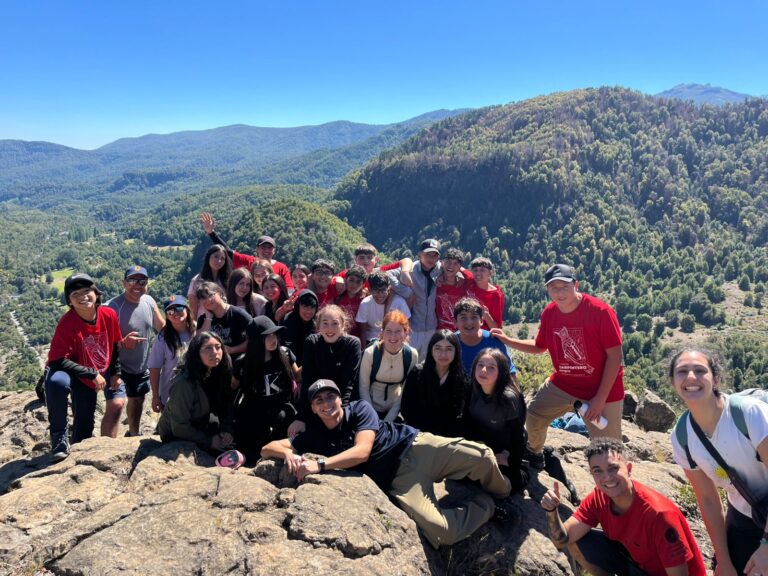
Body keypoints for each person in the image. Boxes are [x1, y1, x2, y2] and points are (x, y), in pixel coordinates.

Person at [261, 380, 513, 548]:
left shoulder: (359, 408)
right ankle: (487, 507)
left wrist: (321, 465)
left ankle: (502, 492)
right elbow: (267, 448)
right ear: (313, 409)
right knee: (441, 533)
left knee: (481, 455)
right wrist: (288, 455)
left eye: (331, 397)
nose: (327, 404)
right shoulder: (314, 435)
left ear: (340, 399)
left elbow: (362, 451)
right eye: (319, 401)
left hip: (416, 446)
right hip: (398, 481)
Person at [495, 264, 624, 470]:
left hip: (601, 390)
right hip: (564, 385)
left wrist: (599, 399)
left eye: (564, 286)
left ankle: (613, 495)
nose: (559, 292)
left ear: (576, 284)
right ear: (547, 290)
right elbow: (539, 346)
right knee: (534, 416)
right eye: (553, 287)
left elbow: (615, 357)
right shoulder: (550, 313)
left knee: (608, 451)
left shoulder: (600, 311)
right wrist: (507, 340)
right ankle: (534, 453)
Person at [541, 437, 706, 576]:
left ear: (628, 469)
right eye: (598, 471)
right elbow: (562, 540)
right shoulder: (599, 498)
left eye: (613, 468)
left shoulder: (659, 515)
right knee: (577, 542)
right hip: (636, 564)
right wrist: (551, 511)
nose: (607, 477)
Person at [669, 348, 768, 576]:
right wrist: (723, 560)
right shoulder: (682, 437)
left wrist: (766, 546)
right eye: (682, 371)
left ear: (715, 379)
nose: (691, 377)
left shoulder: (749, 414)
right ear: (673, 382)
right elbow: (708, 499)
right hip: (745, 513)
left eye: (700, 370)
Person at [45, 273, 123, 460]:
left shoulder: (108, 315)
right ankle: (59, 437)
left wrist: (116, 372)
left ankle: (77, 454)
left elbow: (115, 344)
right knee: (57, 383)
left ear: (96, 293)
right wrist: (91, 373)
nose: (83, 297)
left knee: (84, 429)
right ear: (70, 301)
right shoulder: (67, 322)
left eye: (87, 291)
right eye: (75, 294)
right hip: (70, 371)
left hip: (90, 374)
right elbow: (57, 360)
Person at [104, 265, 165, 437]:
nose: (137, 285)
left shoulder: (149, 301)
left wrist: (187, 329)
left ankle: (133, 432)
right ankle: (105, 448)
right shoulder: (112, 307)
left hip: (140, 365)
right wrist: (123, 343)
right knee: (116, 405)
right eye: (132, 280)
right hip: (117, 368)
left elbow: (162, 328)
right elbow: (101, 344)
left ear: (147, 284)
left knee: (137, 400)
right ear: (124, 283)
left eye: (142, 281)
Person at [232, 316, 299, 464]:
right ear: (256, 340)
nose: (273, 339)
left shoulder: (285, 354)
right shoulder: (243, 363)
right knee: (252, 451)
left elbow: (297, 375)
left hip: (280, 409)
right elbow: (232, 387)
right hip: (254, 410)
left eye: (274, 334)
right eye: (267, 336)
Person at [287, 305, 361, 436]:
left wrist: (339, 417)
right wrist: (301, 417)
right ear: (318, 326)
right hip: (317, 402)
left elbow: (348, 384)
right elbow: (307, 382)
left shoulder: (352, 344)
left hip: (341, 403)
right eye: (325, 324)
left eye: (335, 324)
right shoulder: (312, 342)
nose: (330, 329)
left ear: (343, 325)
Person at [157, 332, 235, 452]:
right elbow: (179, 426)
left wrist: (226, 430)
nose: (215, 352)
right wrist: (209, 441)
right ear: (196, 353)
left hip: (202, 422)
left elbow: (226, 403)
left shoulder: (220, 370)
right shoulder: (184, 383)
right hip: (175, 434)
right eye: (207, 348)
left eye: (218, 347)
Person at [465, 349, 528, 493]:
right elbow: (467, 424)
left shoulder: (509, 398)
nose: (484, 370)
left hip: (503, 451)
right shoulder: (473, 390)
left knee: (508, 487)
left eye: (491, 367)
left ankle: (524, 468)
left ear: (501, 372)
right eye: (480, 365)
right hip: (482, 448)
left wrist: (511, 459)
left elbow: (519, 435)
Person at [199, 212, 293, 290]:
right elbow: (227, 252)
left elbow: (289, 289)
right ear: (257, 249)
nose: (266, 250)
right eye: (263, 247)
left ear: (274, 251)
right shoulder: (249, 261)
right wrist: (211, 233)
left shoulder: (282, 268)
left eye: (270, 247)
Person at [401, 329, 468, 438]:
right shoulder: (417, 373)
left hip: (447, 437)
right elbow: (407, 409)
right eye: (438, 348)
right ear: (431, 350)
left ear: (456, 351)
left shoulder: (460, 378)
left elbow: (460, 414)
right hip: (419, 435)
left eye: (449, 349)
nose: (443, 354)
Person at [358, 310, 419, 421]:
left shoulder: (412, 355)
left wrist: (388, 420)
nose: (393, 336)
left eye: (398, 331)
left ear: (406, 333)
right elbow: (363, 389)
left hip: (396, 410)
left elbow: (405, 391)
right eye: (389, 331)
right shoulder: (370, 353)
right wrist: (373, 419)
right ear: (382, 333)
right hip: (370, 408)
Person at [389, 238, 444, 358]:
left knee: (427, 364)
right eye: (427, 254)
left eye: (435, 255)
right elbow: (388, 275)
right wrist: (407, 292)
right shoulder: (411, 269)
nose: (431, 258)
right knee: (409, 361)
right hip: (413, 327)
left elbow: (457, 269)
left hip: (432, 328)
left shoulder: (440, 270)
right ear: (419, 255)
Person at [148, 295, 195, 413]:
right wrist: (155, 396)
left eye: (179, 308)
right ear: (167, 315)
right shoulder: (162, 338)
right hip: (170, 394)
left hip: (196, 393)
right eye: (170, 310)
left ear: (187, 309)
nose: (175, 313)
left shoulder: (197, 330)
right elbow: (155, 367)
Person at [453, 298, 517, 379]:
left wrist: (513, 391)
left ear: (481, 321)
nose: (469, 322)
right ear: (455, 322)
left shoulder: (494, 341)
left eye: (474, 317)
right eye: (463, 318)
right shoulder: (450, 343)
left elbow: (510, 373)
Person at [195, 281, 251, 356]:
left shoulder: (239, 314)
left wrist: (233, 350)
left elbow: (255, 339)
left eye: (210, 295)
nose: (208, 300)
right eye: (203, 298)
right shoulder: (203, 319)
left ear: (220, 294)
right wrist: (208, 318)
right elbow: (198, 342)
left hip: (238, 362)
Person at [356, 271, 411, 345]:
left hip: (394, 339)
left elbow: (406, 329)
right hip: (371, 340)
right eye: (375, 290)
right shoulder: (365, 304)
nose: (379, 295)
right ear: (369, 289)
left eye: (383, 290)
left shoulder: (399, 303)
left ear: (388, 288)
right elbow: (363, 332)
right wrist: (363, 353)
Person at [187, 244, 232, 319]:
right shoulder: (197, 281)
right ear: (208, 257)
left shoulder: (227, 280)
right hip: (204, 322)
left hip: (225, 321)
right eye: (216, 256)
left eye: (222, 258)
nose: (219, 261)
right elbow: (193, 308)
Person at [436, 247, 470, 331]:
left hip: (461, 331)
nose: (451, 266)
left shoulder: (465, 285)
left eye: (456, 263)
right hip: (440, 331)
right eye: (448, 262)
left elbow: (472, 277)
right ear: (442, 263)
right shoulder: (435, 283)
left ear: (460, 267)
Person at [465, 256, 504, 330]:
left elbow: (497, 328)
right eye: (475, 270)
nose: (478, 273)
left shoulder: (495, 296)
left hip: (483, 335)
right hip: (465, 332)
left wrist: (487, 316)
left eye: (482, 270)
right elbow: (457, 268)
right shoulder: (470, 282)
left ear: (490, 273)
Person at [280, 289, 318, 362]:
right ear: (298, 306)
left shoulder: (317, 322)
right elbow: (287, 349)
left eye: (312, 307)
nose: (309, 311)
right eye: (305, 306)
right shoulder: (288, 321)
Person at [335, 265, 367, 340]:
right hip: (338, 336)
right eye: (351, 280)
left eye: (358, 282)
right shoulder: (337, 296)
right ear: (346, 280)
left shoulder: (365, 299)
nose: (354, 284)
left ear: (363, 284)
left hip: (357, 338)